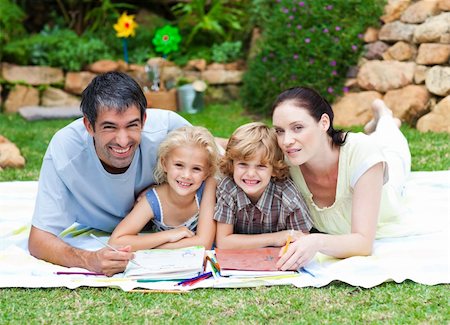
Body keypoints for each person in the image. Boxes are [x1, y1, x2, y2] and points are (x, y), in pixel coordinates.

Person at [28, 71, 202, 276]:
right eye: (110, 127)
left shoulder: (168, 128)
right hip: (112, 229)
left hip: (154, 223)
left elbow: (219, 166)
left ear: (144, 120)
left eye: (132, 125)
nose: (122, 140)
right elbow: (39, 240)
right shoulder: (65, 150)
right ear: (89, 126)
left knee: (220, 146)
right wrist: (88, 260)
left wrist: (163, 188)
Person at [271, 87, 411, 271]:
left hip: (388, 186)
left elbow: (363, 243)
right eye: (280, 131)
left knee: (391, 144)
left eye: (298, 128)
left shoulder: (362, 152)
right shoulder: (286, 158)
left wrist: (317, 241)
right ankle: (381, 124)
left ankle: (384, 117)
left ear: (324, 122)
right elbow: (239, 147)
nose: (287, 140)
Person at [109, 126, 220, 251]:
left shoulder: (207, 188)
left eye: (196, 169)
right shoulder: (153, 200)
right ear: (164, 164)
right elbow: (115, 242)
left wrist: (155, 246)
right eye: (179, 165)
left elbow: (204, 243)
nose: (186, 175)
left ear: (207, 172)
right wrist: (169, 235)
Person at [214, 122, 312, 249]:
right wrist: (276, 238)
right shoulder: (228, 188)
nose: (250, 174)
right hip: (237, 262)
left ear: (274, 169)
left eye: (261, 166)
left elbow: (302, 241)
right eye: (243, 164)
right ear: (232, 165)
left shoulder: (288, 196)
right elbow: (223, 242)